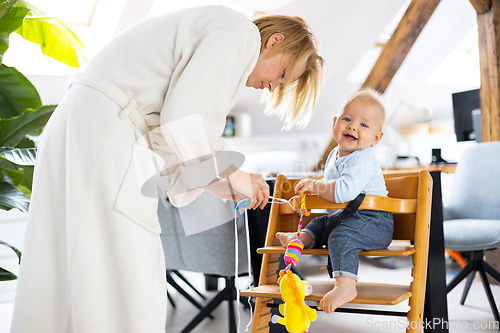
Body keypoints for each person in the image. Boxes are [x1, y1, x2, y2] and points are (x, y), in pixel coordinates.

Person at [11, 5, 323, 333]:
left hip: (80, 129)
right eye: (284, 74)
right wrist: (238, 175)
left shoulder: (217, 36)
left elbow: (176, 139)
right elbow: (186, 118)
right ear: (273, 41)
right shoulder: (238, 32)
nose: (274, 86)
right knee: (126, 269)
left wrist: (222, 183)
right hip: (104, 135)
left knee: (67, 264)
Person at [276, 89, 393, 314]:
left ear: (376, 138)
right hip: (344, 217)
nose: (352, 127)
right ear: (334, 123)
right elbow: (330, 191)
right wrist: (310, 192)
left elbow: (343, 192)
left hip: (373, 221)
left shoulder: (363, 158)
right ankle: (301, 239)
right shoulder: (334, 155)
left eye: (363, 125)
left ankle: (346, 286)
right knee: (320, 222)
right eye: (347, 119)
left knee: (341, 235)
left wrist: (316, 185)